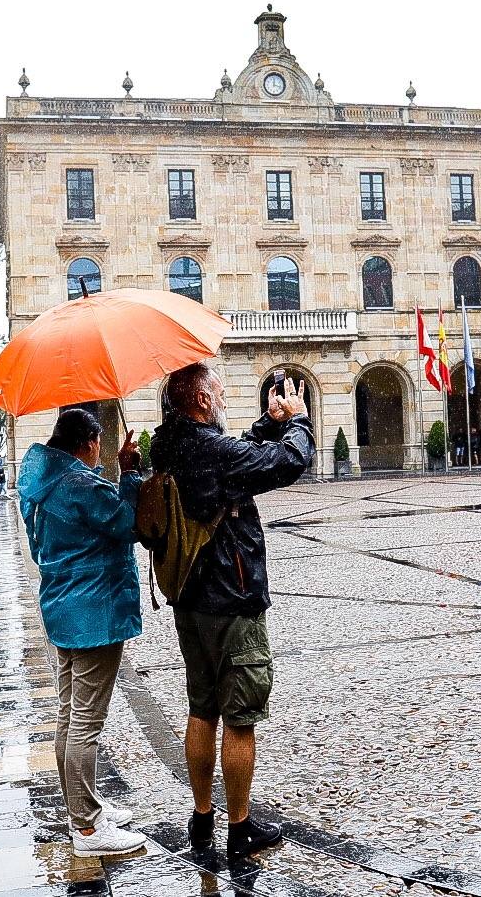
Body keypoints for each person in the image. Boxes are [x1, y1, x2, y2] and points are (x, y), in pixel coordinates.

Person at [149, 363, 314, 859]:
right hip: (232, 597)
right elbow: (286, 462)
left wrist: (266, 422)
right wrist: (298, 421)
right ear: (200, 402)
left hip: (190, 598)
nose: (222, 399)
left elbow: (239, 453)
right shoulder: (209, 450)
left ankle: (202, 821)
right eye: (217, 393)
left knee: (201, 709)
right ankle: (239, 829)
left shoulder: (168, 444)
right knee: (240, 716)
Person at [17, 409, 148, 859]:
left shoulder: (41, 482)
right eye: (98, 445)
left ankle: (83, 807)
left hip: (62, 606)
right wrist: (129, 472)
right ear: (89, 441)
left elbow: (70, 529)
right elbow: (126, 523)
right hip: (95, 610)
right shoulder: (80, 484)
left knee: (70, 714)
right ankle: (88, 828)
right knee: (86, 723)